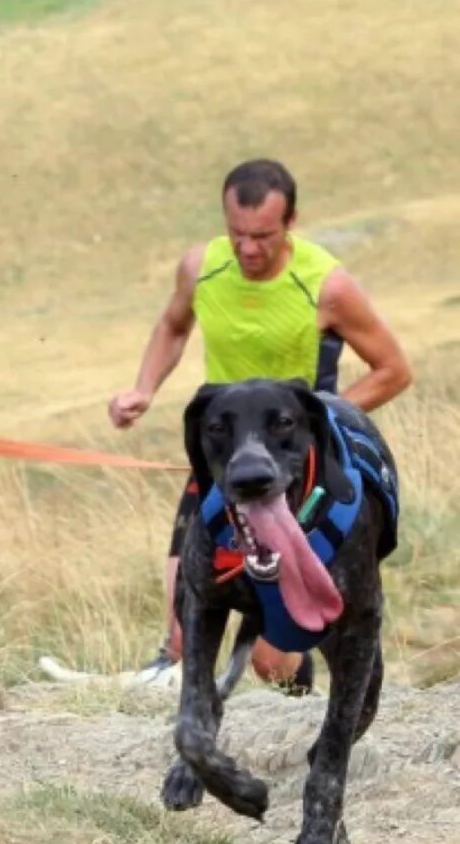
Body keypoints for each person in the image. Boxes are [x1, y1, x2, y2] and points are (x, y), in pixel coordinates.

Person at [108, 159, 410, 692]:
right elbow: (174, 326)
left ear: (291, 222)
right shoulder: (202, 266)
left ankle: (297, 707)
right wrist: (143, 389)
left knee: (275, 657)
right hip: (225, 467)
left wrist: (320, 421)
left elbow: (394, 371)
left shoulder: (327, 285)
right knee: (182, 638)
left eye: (263, 236)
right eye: (237, 234)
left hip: (294, 476)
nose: (248, 249)